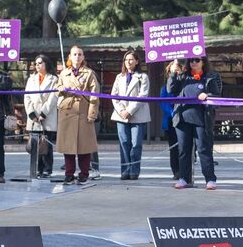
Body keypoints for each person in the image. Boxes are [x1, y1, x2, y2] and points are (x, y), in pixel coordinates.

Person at [166, 59, 218, 189]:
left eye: (197, 60)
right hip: (182, 118)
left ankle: (210, 179)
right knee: (183, 150)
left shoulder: (210, 77)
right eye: (191, 61)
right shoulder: (183, 76)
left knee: (204, 149)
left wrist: (207, 95)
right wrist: (173, 73)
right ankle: (184, 178)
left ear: (203, 62)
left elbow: (217, 95)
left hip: (202, 119)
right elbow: (170, 89)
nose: (193, 63)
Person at [54, 47, 101, 185]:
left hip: (83, 111)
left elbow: (95, 95)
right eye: (74, 54)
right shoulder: (64, 73)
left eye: (80, 54)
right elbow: (57, 91)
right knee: (68, 146)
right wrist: (61, 90)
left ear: (83, 57)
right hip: (67, 111)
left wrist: (92, 114)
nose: (77, 57)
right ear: (69, 56)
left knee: (84, 146)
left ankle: (84, 174)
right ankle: (69, 174)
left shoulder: (89, 73)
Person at [110, 49, 149, 179]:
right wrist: (121, 110)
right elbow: (114, 95)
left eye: (131, 59)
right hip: (120, 115)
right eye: (126, 60)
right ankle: (125, 170)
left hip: (138, 115)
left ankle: (134, 170)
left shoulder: (143, 77)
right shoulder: (119, 77)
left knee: (136, 144)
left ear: (137, 61)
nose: (128, 62)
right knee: (124, 143)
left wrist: (129, 111)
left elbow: (142, 95)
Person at [23, 56, 57, 181]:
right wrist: (31, 113)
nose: (37, 65)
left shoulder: (54, 79)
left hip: (47, 116)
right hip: (34, 117)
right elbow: (27, 97)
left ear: (46, 64)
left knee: (46, 144)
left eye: (40, 63)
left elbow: (54, 97)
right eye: (36, 63)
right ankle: (37, 169)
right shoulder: (31, 79)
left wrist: (44, 113)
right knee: (35, 144)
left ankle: (47, 169)